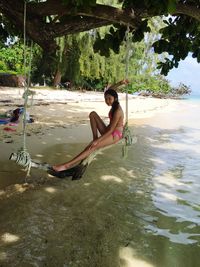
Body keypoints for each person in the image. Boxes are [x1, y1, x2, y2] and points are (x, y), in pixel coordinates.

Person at [52, 79, 128, 172]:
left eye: (109, 99)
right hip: (108, 130)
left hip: (115, 135)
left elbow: (112, 130)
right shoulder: (114, 104)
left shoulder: (118, 111)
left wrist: (97, 142)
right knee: (92, 114)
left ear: (115, 98)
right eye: (106, 99)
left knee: (92, 147)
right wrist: (121, 83)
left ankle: (66, 166)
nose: (107, 101)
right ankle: (94, 137)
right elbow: (111, 90)